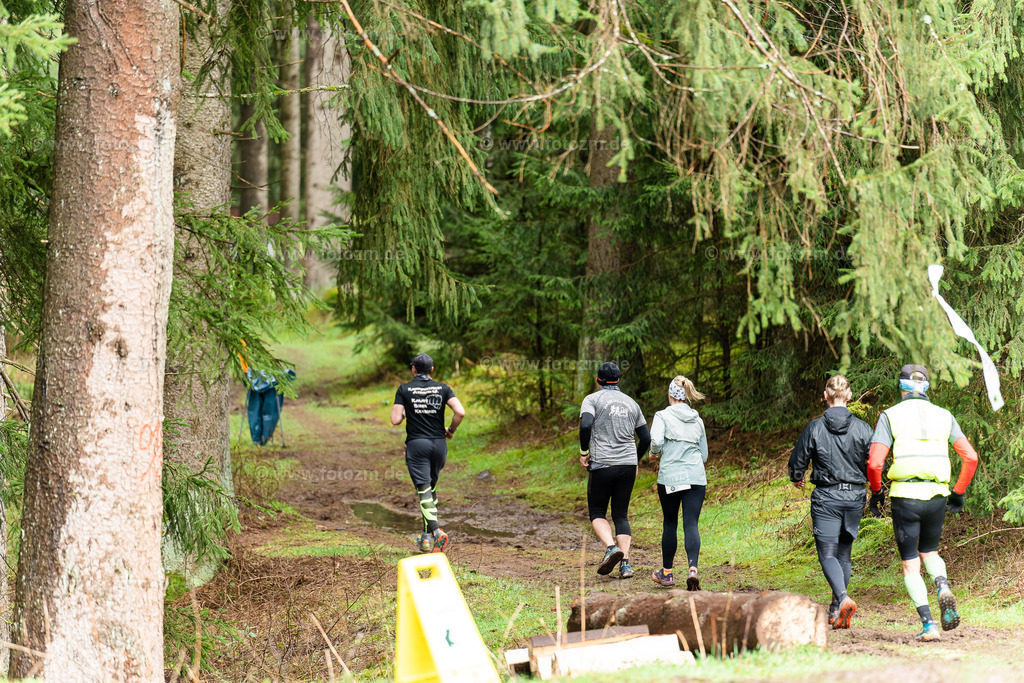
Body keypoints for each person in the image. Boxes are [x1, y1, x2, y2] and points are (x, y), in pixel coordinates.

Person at [867, 364, 979, 642]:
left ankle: (928, 625)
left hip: (906, 498)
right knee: (929, 551)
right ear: (927, 386)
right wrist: (958, 491)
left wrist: (877, 492)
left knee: (909, 564)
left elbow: (875, 462)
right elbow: (971, 457)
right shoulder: (944, 415)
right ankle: (942, 586)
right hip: (937, 496)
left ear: (901, 387)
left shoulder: (890, 415)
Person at [788, 375, 873, 629]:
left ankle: (843, 598)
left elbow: (798, 460)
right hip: (855, 497)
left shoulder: (815, 427)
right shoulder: (864, 428)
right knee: (844, 554)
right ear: (849, 396)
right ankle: (837, 608)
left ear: (825, 396)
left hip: (827, 497)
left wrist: (796, 477)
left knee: (827, 554)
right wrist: (874, 489)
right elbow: (875, 462)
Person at [579, 361, 650, 579]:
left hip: (603, 463)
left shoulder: (592, 399)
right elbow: (646, 438)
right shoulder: (632, 403)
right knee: (621, 514)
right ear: (618, 380)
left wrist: (584, 452)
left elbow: (585, 425)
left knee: (598, 512)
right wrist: (635, 461)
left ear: (598, 380)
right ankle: (626, 564)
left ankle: (611, 548)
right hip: (627, 466)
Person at [391, 353, 466, 554]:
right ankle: (425, 540)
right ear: (432, 370)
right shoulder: (444, 388)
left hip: (417, 445)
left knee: (423, 489)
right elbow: (460, 412)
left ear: (413, 369)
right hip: (439, 445)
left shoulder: (404, 389)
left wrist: (408, 409)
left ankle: (436, 531)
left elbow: (395, 419)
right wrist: (451, 430)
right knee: (430, 490)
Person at [650, 376, 709, 591]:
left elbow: (655, 441)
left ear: (670, 394)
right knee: (691, 523)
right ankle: (693, 569)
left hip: (671, 478)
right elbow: (704, 454)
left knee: (670, 523)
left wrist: (655, 453)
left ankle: (667, 574)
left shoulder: (662, 416)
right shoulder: (697, 419)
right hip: (695, 477)